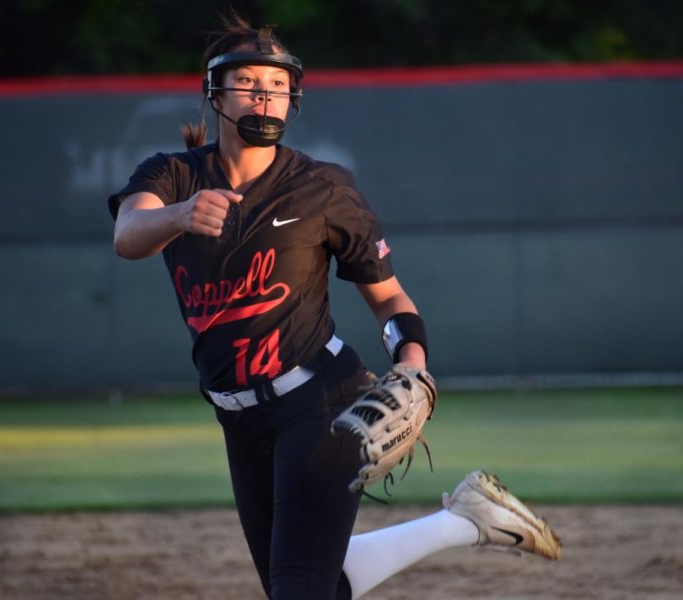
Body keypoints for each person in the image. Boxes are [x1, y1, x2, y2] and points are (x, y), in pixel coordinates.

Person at [108, 15, 560, 600]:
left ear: (292, 96)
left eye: (276, 84)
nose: (263, 95)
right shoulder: (173, 175)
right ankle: (466, 521)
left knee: (299, 587)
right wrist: (179, 214)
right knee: (306, 584)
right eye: (247, 81)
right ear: (214, 93)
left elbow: (389, 296)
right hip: (238, 417)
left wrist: (413, 365)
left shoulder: (322, 188)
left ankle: (465, 520)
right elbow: (128, 234)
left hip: (320, 403)